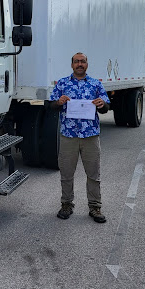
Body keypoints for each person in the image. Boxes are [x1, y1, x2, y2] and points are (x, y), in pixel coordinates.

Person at [49, 52, 110, 223]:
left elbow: (106, 108)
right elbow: (51, 106)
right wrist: (58, 102)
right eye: (76, 62)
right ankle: (66, 204)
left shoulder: (95, 84)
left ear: (87, 64)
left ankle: (95, 207)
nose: (79, 64)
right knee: (66, 173)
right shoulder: (63, 83)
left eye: (82, 61)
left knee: (93, 173)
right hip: (69, 136)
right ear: (72, 65)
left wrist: (102, 104)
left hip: (90, 136)